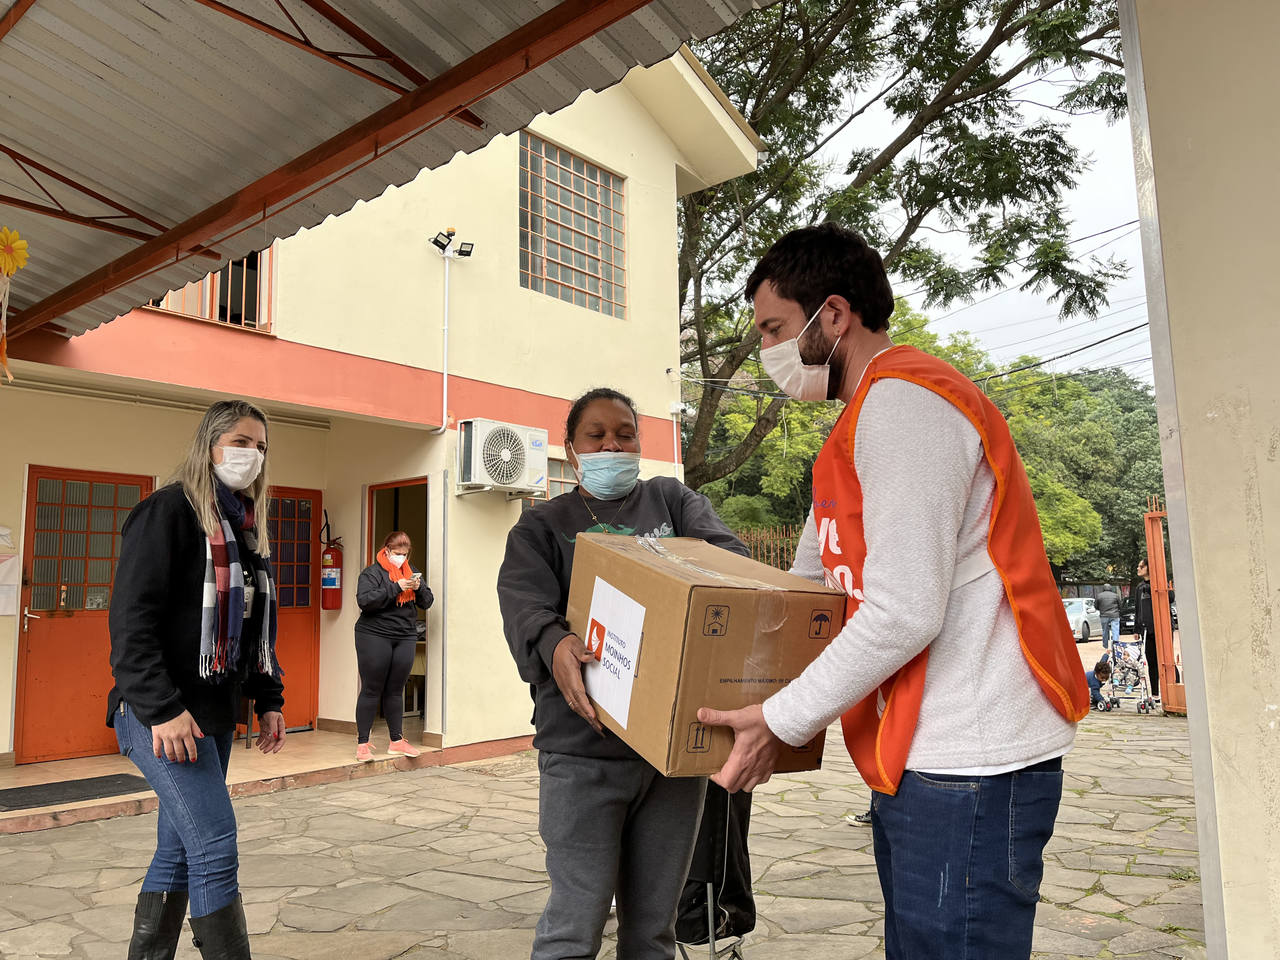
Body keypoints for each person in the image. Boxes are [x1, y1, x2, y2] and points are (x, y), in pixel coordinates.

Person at [697, 224, 1089, 960]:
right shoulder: (855, 429)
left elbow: (905, 609)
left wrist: (779, 718)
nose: (769, 353)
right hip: (924, 758)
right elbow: (810, 593)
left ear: (835, 316)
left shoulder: (906, 406)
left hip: (972, 761)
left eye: (776, 329)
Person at [497, 387, 748, 960]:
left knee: (653, 932)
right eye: (597, 434)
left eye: (625, 433)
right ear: (572, 447)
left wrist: (654, 569)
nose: (613, 443)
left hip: (671, 758)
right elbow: (526, 607)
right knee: (574, 927)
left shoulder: (672, 502)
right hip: (583, 753)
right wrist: (556, 641)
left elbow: (727, 561)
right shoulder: (541, 527)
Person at [107, 399, 286, 960]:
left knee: (181, 852)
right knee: (214, 846)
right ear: (208, 446)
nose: (250, 454)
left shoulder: (245, 530)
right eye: (239, 441)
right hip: (160, 714)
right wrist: (161, 708)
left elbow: (252, 629)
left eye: (260, 446)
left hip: (212, 715)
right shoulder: (167, 513)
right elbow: (132, 623)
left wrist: (269, 700)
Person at [354, 531, 434, 761]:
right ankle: (362, 744)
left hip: (405, 634)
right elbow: (365, 601)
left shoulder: (410, 571)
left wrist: (417, 588)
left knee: (396, 688)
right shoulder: (372, 573)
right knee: (372, 687)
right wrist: (396, 586)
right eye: (397, 554)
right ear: (387, 550)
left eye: (405, 554)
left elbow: (428, 602)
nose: (401, 558)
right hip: (374, 633)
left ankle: (397, 741)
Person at [1132, 557, 1162, 702]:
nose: (1138, 569)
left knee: (1165, 660)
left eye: (1141, 566)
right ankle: (1155, 694)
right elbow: (1138, 609)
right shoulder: (1139, 588)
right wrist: (1136, 629)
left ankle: (1173, 690)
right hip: (1146, 630)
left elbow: (1169, 597)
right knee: (1151, 661)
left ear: (1149, 568)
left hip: (1161, 628)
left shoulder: (1159, 584)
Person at [1096, 583, 1121, 650]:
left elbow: (1096, 606)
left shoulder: (1099, 596)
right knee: (1115, 630)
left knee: (1105, 630)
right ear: (1110, 588)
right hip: (1114, 615)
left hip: (1104, 616)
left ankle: (1105, 645)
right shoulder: (1116, 595)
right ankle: (1115, 644)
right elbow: (1120, 605)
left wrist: (1101, 609)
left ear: (1103, 588)